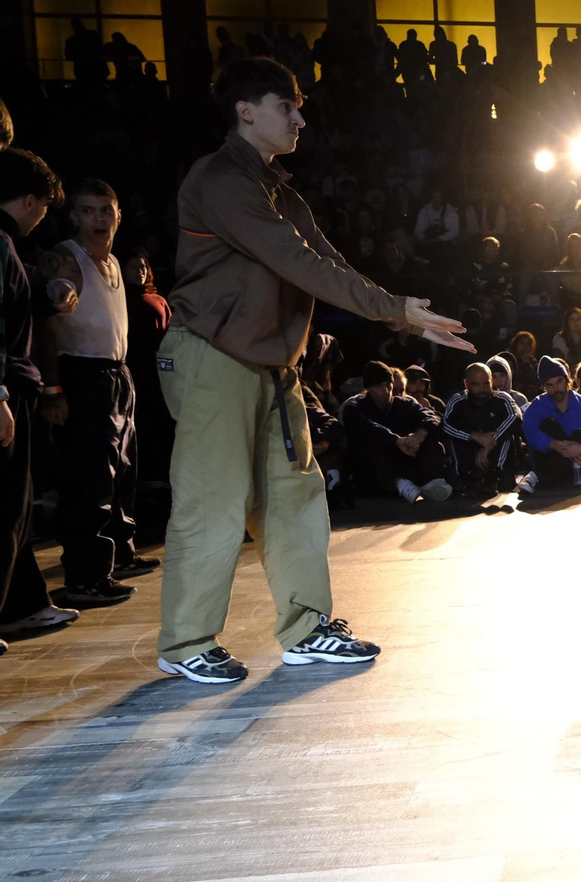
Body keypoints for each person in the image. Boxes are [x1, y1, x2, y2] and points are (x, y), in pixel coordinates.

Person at [156, 59, 471, 684]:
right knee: (214, 500)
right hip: (212, 354)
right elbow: (297, 264)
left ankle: (306, 630)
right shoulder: (218, 179)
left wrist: (402, 314)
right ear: (246, 111)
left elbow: (327, 263)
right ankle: (185, 642)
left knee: (295, 498)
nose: (300, 118)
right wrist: (393, 310)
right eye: (286, 105)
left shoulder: (283, 194)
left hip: (274, 365)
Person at [35, 179, 158, 604]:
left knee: (122, 472)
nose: (99, 218)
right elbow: (47, 327)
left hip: (117, 374)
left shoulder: (114, 264)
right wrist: (53, 389)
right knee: (88, 481)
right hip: (82, 375)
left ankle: (119, 555)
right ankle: (84, 578)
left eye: (106, 210)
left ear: (119, 215)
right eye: (88, 211)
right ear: (74, 217)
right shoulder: (66, 259)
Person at [0, 149, 82, 650]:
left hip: (12, 385)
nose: (43, 216)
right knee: (6, 506)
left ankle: (21, 605)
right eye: (44, 207)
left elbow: (22, 288)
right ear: (30, 200)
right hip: (8, 386)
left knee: (16, 508)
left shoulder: (8, 245)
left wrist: (49, 287)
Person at [343, 361, 453, 501]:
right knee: (369, 446)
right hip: (374, 469)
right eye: (378, 386)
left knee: (431, 441)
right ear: (369, 388)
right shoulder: (354, 407)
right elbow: (368, 427)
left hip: (404, 458)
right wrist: (396, 440)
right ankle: (398, 484)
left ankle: (430, 482)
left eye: (388, 384)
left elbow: (433, 416)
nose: (385, 391)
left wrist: (419, 435)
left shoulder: (404, 403)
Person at [521, 355, 581, 491]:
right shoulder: (538, 405)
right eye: (549, 385)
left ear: (567, 380)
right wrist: (553, 444)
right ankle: (537, 474)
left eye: (559, 382)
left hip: (579, 462)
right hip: (552, 461)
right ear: (544, 387)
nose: (556, 389)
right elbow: (529, 431)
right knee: (549, 425)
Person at [442, 361, 523, 495]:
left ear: (491, 381)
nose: (482, 389)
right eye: (476, 385)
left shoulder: (502, 399)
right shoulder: (457, 401)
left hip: (497, 457)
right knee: (459, 432)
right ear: (466, 384)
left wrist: (488, 444)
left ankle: (496, 475)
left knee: (506, 432)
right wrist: (474, 436)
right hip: (468, 457)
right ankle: (465, 477)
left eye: (486, 383)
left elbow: (516, 417)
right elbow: (445, 424)